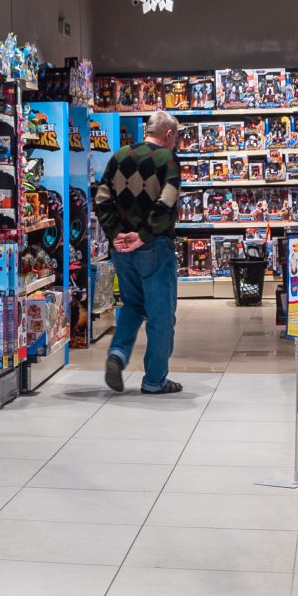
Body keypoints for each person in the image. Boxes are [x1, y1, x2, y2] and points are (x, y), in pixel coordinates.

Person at [92, 110, 185, 395]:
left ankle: (117, 354)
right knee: (161, 316)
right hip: (154, 246)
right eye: (176, 137)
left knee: (132, 305)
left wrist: (116, 233)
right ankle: (154, 380)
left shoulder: (120, 155)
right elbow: (166, 203)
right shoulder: (168, 159)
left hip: (122, 249)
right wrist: (142, 236)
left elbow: (101, 199)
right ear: (168, 134)